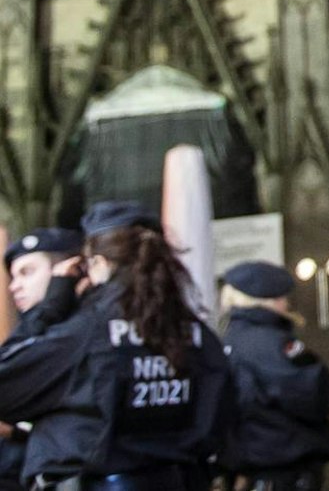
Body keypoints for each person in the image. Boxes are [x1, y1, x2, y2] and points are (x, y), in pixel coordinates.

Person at [0, 201, 233, 489]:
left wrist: (49, 308)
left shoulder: (87, 332)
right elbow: (221, 417)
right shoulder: (195, 332)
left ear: (96, 264)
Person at [218, 261, 329, 490]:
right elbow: (317, 393)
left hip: (249, 470)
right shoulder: (272, 344)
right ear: (269, 301)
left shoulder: (229, 340)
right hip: (283, 469)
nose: (287, 304)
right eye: (282, 298)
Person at [0, 228, 84, 491]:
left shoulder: (78, 332)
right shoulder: (39, 328)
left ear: (67, 270)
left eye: (27, 272)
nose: (14, 286)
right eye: (13, 276)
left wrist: (49, 308)